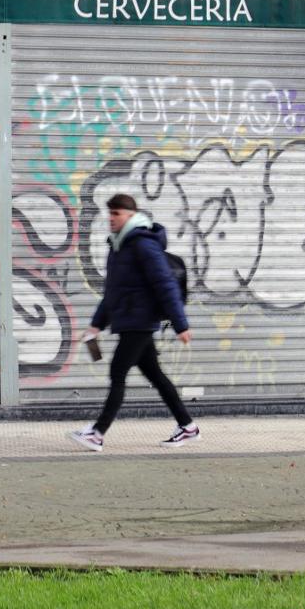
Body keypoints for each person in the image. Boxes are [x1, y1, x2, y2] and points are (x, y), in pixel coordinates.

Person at [69, 193, 199, 452]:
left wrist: (180, 324)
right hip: (129, 319)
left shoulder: (142, 244)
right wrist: (97, 324)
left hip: (139, 321)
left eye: (116, 213)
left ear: (131, 215)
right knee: (156, 375)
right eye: (110, 213)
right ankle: (187, 426)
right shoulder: (119, 247)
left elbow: (165, 284)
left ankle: (97, 433)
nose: (111, 218)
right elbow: (113, 292)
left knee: (118, 372)